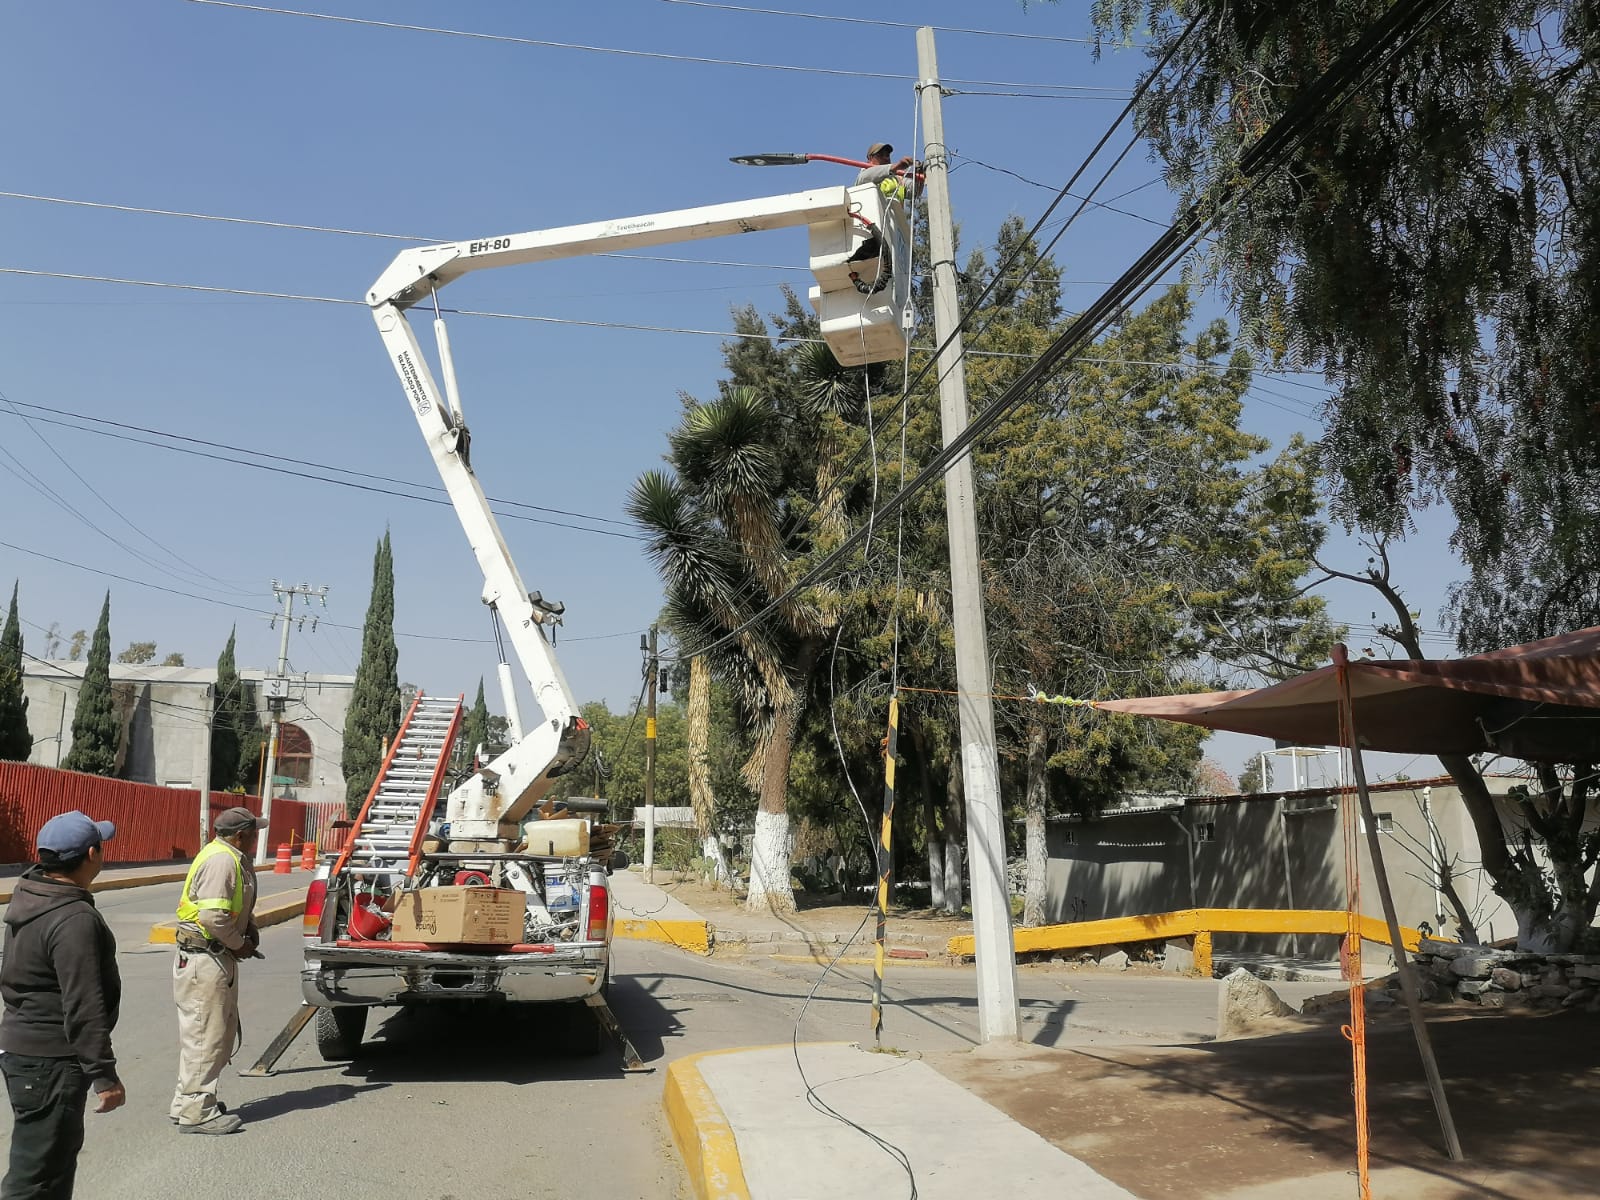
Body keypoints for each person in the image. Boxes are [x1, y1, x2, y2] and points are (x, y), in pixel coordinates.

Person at [0, 811, 125, 1198]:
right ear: (91, 854)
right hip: (50, 1061)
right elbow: (83, 1004)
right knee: (36, 1173)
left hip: (27, 1051)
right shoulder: (73, 918)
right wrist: (104, 1075)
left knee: (52, 1166)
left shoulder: (33, 895)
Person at [169, 806, 265, 1135]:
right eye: (254, 832)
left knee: (208, 1034)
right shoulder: (223, 860)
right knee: (205, 1038)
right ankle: (197, 1111)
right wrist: (239, 943)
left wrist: (248, 926)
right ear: (241, 835)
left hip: (210, 957)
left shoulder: (229, 855)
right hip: (205, 959)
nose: (257, 837)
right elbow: (213, 918)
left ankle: (187, 1102)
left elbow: (229, 906)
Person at [855, 141, 920, 202]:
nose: (886, 158)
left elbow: (915, 192)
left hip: (894, 213)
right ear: (870, 158)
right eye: (880, 155)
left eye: (887, 155)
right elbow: (864, 178)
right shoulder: (864, 174)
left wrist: (919, 170)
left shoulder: (898, 179)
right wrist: (895, 167)